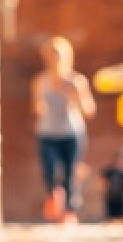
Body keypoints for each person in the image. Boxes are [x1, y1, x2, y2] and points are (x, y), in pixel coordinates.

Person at [30, 37, 91, 223]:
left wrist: (78, 97)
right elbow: (35, 107)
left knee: (70, 173)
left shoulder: (76, 81)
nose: (54, 59)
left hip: (71, 133)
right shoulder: (40, 81)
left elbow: (89, 110)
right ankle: (53, 197)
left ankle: (69, 212)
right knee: (49, 171)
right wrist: (39, 108)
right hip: (47, 132)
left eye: (58, 55)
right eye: (51, 55)